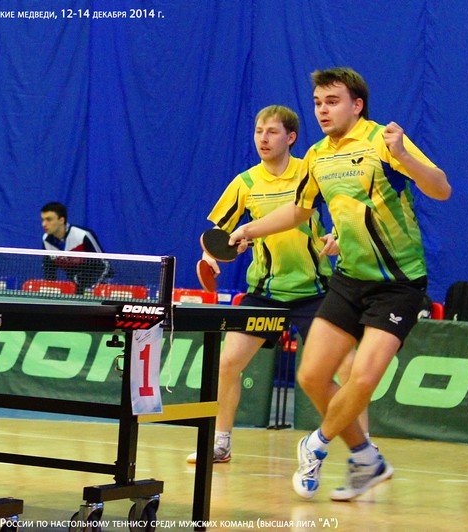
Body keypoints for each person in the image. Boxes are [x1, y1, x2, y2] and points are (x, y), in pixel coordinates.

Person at [228, 67, 451, 501]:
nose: (322, 110)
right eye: (317, 103)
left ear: (357, 105)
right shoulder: (315, 156)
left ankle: (317, 443)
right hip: (348, 280)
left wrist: (405, 157)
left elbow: (441, 188)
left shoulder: (383, 140)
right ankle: (366, 460)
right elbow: (299, 211)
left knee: (362, 378)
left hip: (398, 283)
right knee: (312, 377)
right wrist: (250, 230)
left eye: (332, 101)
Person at [187, 104, 368, 464]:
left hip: (316, 291)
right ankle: (220, 442)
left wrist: (337, 235)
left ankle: (364, 447)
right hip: (265, 293)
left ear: (291, 137)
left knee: (348, 366)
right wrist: (210, 258)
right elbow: (219, 235)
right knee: (227, 363)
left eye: (271, 132)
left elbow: (346, 211)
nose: (263, 139)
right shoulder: (245, 183)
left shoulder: (310, 172)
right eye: (258, 131)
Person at [40, 201, 112, 294]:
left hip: (100, 284)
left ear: (61, 220)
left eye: (49, 220)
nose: (44, 224)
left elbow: (104, 264)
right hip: (76, 285)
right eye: (43, 220)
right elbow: (49, 268)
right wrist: (50, 288)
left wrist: (91, 287)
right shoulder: (46, 240)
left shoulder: (83, 235)